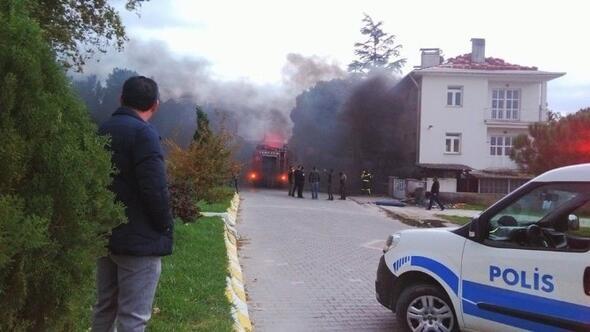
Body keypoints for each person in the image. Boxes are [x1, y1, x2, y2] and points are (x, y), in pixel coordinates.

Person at [93, 76, 173, 331]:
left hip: (107, 235)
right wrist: (164, 226)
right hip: (139, 241)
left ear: (121, 98)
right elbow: (155, 190)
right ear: (155, 105)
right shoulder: (145, 134)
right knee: (134, 318)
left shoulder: (103, 129)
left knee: (104, 308)